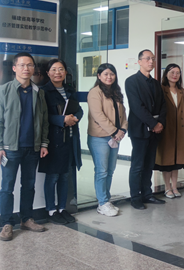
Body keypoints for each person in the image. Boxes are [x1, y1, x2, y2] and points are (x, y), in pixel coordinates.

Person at [0, 53, 49, 241]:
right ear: (14, 68)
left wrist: (44, 143)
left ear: (34, 68)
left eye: (29, 65)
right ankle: (6, 223)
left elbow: (44, 121)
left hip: (33, 147)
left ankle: (26, 219)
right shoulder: (4, 91)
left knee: (28, 185)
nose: (26, 68)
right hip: (10, 148)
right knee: (7, 187)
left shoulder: (39, 92)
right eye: (22, 65)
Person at [39, 59, 82, 224]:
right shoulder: (44, 91)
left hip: (69, 139)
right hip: (53, 140)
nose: (58, 72)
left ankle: (62, 209)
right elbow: (42, 116)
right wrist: (62, 119)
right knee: (52, 177)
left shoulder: (70, 90)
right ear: (48, 73)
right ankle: (51, 210)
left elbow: (79, 110)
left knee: (65, 176)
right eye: (54, 69)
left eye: (61, 69)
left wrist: (74, 118)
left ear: (65, 72)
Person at [125, 49, 167, 210]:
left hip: (156, 130)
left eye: (153, 59)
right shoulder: (131, 81)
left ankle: (147, 194)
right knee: (137, 165)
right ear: (139, 61)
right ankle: (135, 197)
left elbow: (163, 105)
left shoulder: (156, 83)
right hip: (140, 129)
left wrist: (160, 123)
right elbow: (137, 107)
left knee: (149, 164)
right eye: (148, 58)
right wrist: (153, 123)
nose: (151, 61)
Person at [87, 63, 128, 217]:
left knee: (110, 170)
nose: (109, 77)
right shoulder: (95, 92)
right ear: (99, 76)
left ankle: (106, 200)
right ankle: (102, 203)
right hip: (99, 138)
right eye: (105, 74)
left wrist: (123, 129)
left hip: (115, 137)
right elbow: (98, 116)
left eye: (112, 74)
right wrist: (115, 131)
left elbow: (123, 113)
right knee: (102, 171)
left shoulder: (116, 92)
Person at [154, 64, 184, 199]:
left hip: (180, 130)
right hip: (166, 130)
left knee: (176, 161)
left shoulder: (181, 91)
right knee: (167, 161)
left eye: (178, 73)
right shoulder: (161, 89)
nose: (175, 75)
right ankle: (167, 187)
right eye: (172, 72)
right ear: (166, 74)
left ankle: (174, 187)